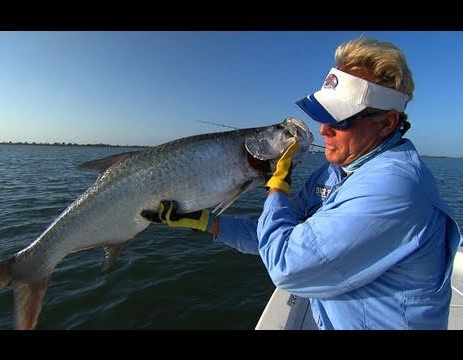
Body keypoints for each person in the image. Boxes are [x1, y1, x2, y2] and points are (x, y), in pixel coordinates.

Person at [142, 37, 462, 330]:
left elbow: (287, 266)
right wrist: (210, 223)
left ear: (386, 123)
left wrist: (276, 187)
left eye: (340, 119)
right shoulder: (335, 172)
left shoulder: (395, 189)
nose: (324, 130)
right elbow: (285, 237)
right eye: (323, 115)